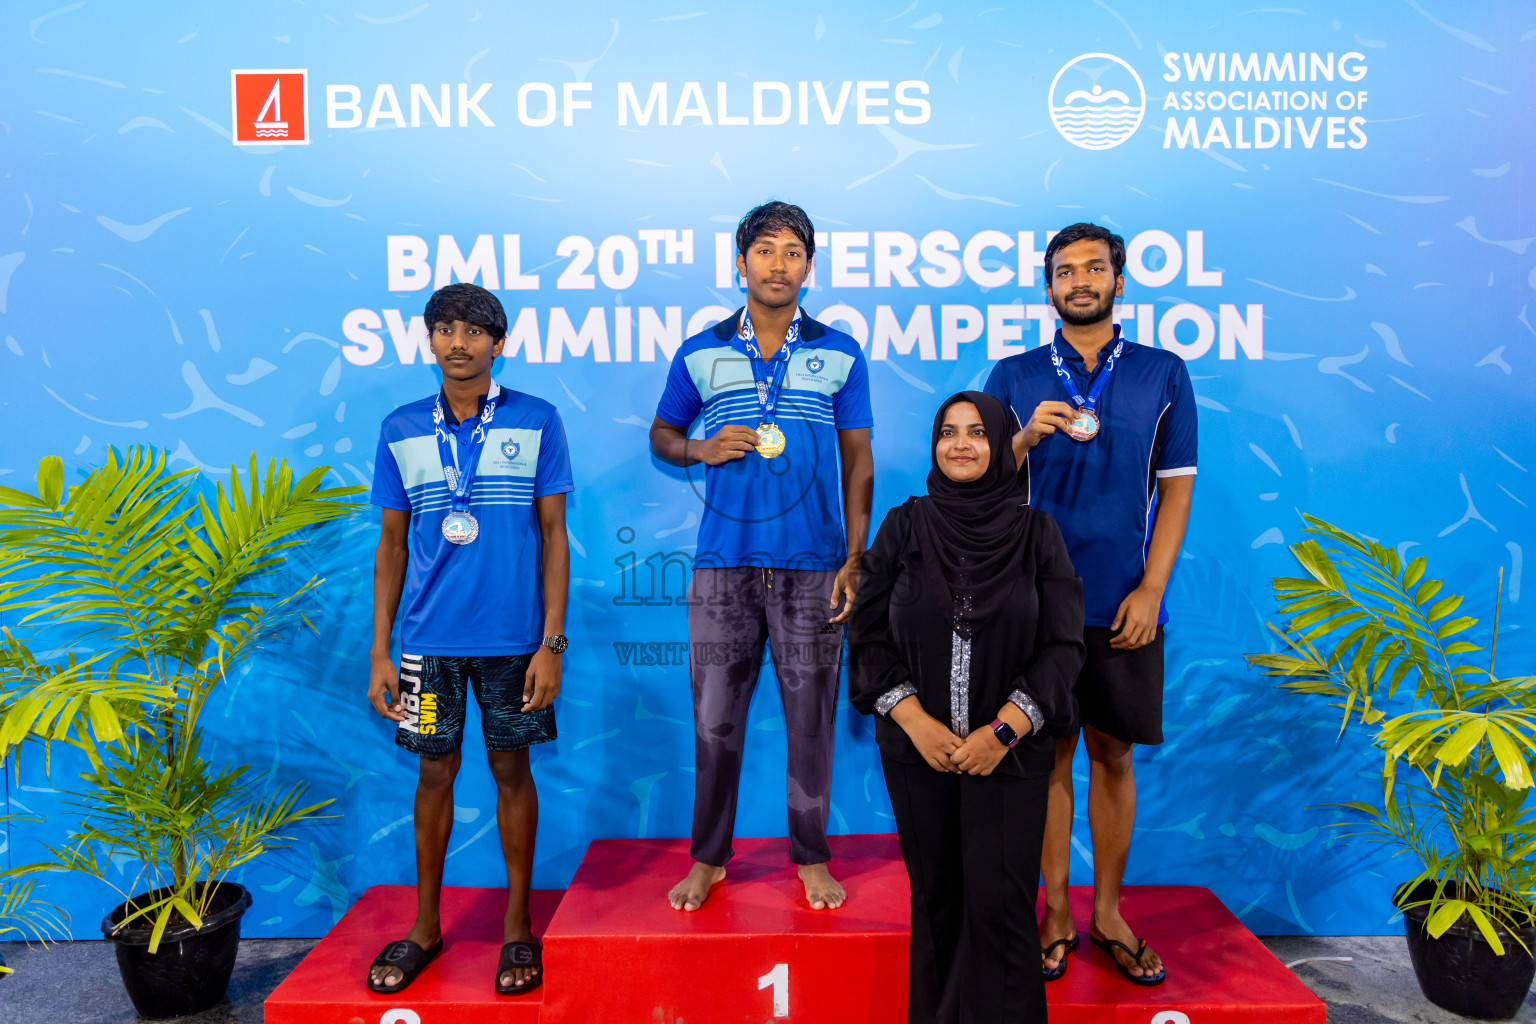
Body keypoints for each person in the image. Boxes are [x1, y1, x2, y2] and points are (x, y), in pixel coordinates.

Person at [984, 222, 1197, 986]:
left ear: (1118, 280)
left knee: (1112, 757)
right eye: (1066, 270)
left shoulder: (1162, 373)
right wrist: (1018, 445)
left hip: (1123, 608)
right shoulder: (1010, 377)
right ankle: (1055, 913)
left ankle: (1108, 910)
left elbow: (1176, 493)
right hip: (1034, 609)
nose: (1080, 280)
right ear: (1048, 288)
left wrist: (1152, 589)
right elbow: (976, 485)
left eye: (1094, 268)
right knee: (1044, 761)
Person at [649, 201, 874, 913]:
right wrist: (698, 447)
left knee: (812, 717)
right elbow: (661, 434)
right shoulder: (700, 350)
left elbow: (858, 460)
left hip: (814, 566)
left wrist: (854, 556)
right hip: (724, 566)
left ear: (810, 266)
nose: (780, 264)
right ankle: (709, 859)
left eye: (794, 252)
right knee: (715, 720)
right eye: (766, 250)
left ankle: (810, 856)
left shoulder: (840, 351)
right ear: (740, 263)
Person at [849, 391, 1084, 1024]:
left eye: (978, 433)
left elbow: (1064, 646)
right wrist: (913, 719)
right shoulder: (904, 525)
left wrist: (1003, 732)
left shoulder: (1038, 534)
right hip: (915, 753)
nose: (961, 444)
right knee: (936, 903)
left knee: (1003, 906)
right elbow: (865, 634)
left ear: (1001, 442)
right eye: (948, 433)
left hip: (1008, 757)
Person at [365, 282, 573, 996]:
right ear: (429, 341)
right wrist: (380, 652)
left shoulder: (539, 420)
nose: (459, 342)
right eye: (445, 329)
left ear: (499, 343)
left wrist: (552, 643)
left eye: (474, 331)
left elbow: (555, 537)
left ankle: (518, 929)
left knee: (513, 773)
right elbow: (391, 547)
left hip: (516, 644)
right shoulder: (400, 428)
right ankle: (426, 926)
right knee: (433, 776)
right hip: (427, 644)